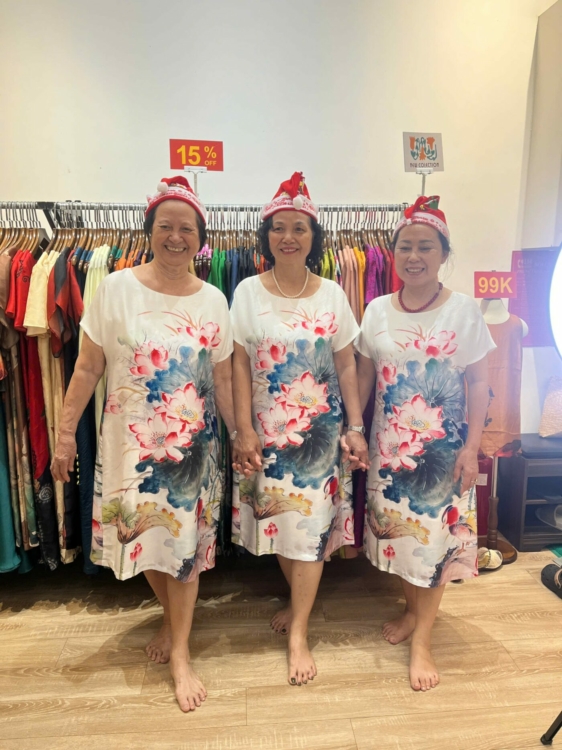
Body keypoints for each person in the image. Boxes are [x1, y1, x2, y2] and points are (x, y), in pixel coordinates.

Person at [51, 176, 235, 713]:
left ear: (200, 238)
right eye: (165, 226)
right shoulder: (114, 289)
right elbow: (87, 367)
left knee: (183, 551)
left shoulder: (214, 300)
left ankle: (180, 651)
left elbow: (223, 380)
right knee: (145, 540)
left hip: (191, 452)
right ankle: (173, 618)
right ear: (149, 230)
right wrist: (65, 434)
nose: (176, 237)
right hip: (129, 448)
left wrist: (242, 434)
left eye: (187, 229)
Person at [230, 172, 369, 687]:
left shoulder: (332, 294)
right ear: (266, 236)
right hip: (267, 436)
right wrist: (243, 428)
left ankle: (300, 632)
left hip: (317, 437)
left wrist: (355, 425)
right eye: (279, 228)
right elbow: (237, 363)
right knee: (283, 526)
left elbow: (347, 364)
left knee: (309, 532)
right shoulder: (246, 292)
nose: (288, 237)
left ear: (314, 237)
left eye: (299, 228)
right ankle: (296, 603)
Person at [354, 196, 495, 692]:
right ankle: (412, 612)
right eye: (405, 247)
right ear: (393, 252)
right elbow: (365, 375)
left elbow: (480, 382)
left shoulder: (464, 311)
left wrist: (471, 448)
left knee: (433, 546)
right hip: (391, 451)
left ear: (443, 254)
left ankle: (423, 643)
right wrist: (354, 428)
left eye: (426, 247)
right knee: (403, 541)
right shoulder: (376, 310)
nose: (414, 256)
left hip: (443, 453)